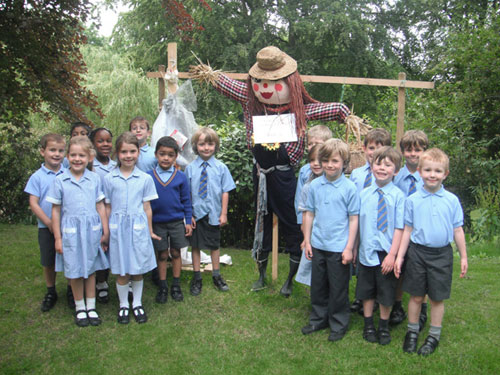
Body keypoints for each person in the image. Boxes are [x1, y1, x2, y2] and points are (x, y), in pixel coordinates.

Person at [192, 46, 350, 295]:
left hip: (285, 177)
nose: (265, 88)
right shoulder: (250, 101)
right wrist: (209, 74)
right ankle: (262, 275)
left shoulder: (298, 109)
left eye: (274, 83)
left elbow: (328, 110)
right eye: (261, 82)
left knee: (291, 224)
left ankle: (290, 279)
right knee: (261, 224)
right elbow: (224, 84)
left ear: (290, 83)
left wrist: (344, 114)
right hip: (261, 175)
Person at [394, 148, 468, 356]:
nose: (432, 175)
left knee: (436, 298)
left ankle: (434, 334)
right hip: (417, 253)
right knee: (416, 296)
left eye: (437, 171)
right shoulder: (413, 200)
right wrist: (400, 257)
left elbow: (457, 230)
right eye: (427, 170)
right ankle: (412, 331)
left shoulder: (451, 200)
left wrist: (463, 256)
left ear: (445, 174)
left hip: (442, 255)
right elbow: (407, 230)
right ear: (419, 172)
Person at [46, 136, 109, 327]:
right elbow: (56, 210)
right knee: (74, 271)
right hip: (71, 232)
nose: (77, 159)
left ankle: (91, 306)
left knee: (90, 270)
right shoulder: (60, 180)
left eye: (81, 155)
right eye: (73, 155)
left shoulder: (95, 179)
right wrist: (58, 237)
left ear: (90, 157)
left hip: (91, 231)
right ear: (67, 157)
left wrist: (105, 230)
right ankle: (79, 307)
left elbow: (100, 206)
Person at [301, 139, 359, 342]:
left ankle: (338, 322)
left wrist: (349, 247)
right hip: (318, 245)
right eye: (325, 160)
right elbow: (309, 214)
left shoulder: (350, 188)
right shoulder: (315, 185)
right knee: (318, 286)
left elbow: (353, 219)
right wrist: (307, 241)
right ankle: (318, 318)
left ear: (344, 162)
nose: (329, 165)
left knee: (338, 288)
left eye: (335, 161)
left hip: (339, 248)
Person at [103, 132, 159, 324]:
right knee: (121, 270)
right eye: (124, 151)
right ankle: (123, 305)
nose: (128, 155)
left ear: (138, 153)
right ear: (117, 154)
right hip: (118, 229)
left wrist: (150, 230)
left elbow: (147, 207)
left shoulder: (145, 179)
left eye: (132, 151)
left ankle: (136, 303)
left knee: (137, 268)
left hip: (138, 229)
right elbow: (107, 206)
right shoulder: (110, 179)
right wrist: (107, 231)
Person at [356, 146, 405, 345]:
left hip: (387, 252)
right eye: (378, 163)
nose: (382, 168)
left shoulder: (399, 196)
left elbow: (400, 228)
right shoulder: (363, 195)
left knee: (386, 292)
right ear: (371, 165)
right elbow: (357, 225)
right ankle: (368, 325)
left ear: (396, 170)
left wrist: (393, 255)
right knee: (366, 290)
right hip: (366, 250)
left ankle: (383, 326)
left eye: (388, 165)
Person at [185, 127, 236, 296]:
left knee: (214, 245)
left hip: (214, 213)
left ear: (216, 145)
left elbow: (225, 191)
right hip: (196, 214)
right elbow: (187, 194)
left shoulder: (221, 168)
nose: (206, 148)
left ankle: (216, 275)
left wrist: (224, 213)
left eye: (210, 144)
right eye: (202, 144)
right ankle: (197, 277)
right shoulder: (190, 169)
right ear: (195, 146)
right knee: (195, 246)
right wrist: (189, 215)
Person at [349, 127, 392, 313]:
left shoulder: (386, 173)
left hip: (378, 224)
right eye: (372, 148)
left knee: (376, 261)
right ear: (364, 148)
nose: (375, 153)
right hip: (359, 221)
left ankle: (377, 298)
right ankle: (362, 296)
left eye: (380, 149)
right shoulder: (357, 174)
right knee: (359, 259)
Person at [24, 133, 68, 312]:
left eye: (60, 151)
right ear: (43, 152)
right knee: (48, 260)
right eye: (52, 150)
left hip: (67, 226)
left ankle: (73, 290)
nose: (56, 154)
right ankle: (51, 291)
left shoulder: (68, 174)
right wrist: (48, 222)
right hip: (46, 226)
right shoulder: (37, 177)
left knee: (69, 258)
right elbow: (33, 202)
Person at [391, 130, 429, 328]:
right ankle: (397, 305)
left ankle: (422, 307)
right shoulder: (396, 177)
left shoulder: (429, 177)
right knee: (400, 269)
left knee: (420, 272)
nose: (413, 154)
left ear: (424, 151)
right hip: (401, 230)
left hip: (421, 232)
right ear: (403, 151)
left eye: (418, 150)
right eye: (409, 150)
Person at [148, 136, 193, 303]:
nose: (166, 158)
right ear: (156, 155)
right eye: (162, 154)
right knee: (161, 254)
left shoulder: (180, 177)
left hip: (176, 222)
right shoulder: (148, 177)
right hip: (157, 223)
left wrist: (188, 221)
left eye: (170, 155)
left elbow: (186, 201)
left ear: (176, 157)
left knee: (175, 252)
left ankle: (175, 284)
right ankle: (162, 286)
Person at [89, 127, 117, 304]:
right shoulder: (90, 166)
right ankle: (100, 283)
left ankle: (121, 281)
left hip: (113, 213)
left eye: (108, 140)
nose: (105, 144)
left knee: (111, 249)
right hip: (95, 214)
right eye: (100, 141)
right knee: (99, 249)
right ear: (93, 143)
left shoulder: (116, 165)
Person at [294, 145, 323, 287]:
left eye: (319, 160)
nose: (316, 163)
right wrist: (306, 239)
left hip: (330, 233)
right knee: (313, 265)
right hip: (313, 233)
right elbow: (305, 212)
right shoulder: (308, 186)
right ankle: (316, 297)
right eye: (312, 160)